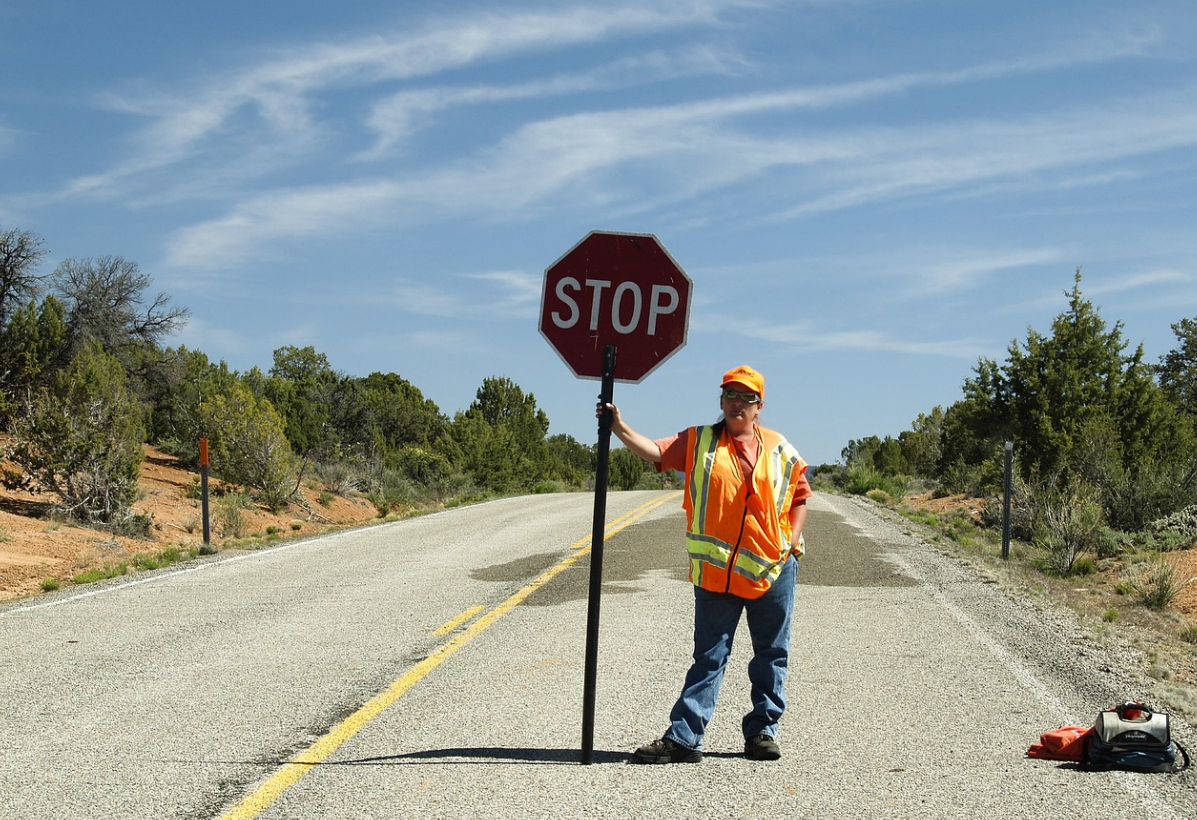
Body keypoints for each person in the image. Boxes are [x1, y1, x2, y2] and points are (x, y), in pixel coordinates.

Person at [598, 364, 811, 763]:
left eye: (747, 397)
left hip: (773, 569)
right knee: (709, 657)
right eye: (731, 394)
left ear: (759, 406)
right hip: (716, 574)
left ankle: (763, 731)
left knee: (771, 653)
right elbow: (656, 452)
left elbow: (800, 496)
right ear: (721, 400)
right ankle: (684, 738)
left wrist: (791, 543)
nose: (738, 403)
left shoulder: (780, 447)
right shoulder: (699, 442)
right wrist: (618, 428)